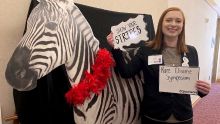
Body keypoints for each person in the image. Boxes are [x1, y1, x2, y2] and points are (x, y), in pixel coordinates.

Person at [107, 7, 210, 124]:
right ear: (161, 23)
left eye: (178, 21)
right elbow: (126, 72)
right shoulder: (146, 50)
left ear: (183, 25)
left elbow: (190, 83)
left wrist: (202, 90)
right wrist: (115, 48)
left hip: (184, 117)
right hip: (154, 116)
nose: (173, 24)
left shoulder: (191, 52)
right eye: (169, 20)